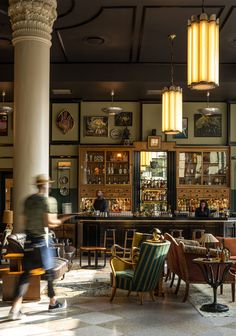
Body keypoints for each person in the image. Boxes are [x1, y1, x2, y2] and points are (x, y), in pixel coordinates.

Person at [8, 174, 72, 320]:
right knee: (50, 274)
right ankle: (53, 303)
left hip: (29, 242)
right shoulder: (48, 200)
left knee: (25, 275)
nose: (50, 186)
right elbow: (49, 223)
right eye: (49, 184)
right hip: (41, 243)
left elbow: (25, 222)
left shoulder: (28, 200)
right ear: (46, 185)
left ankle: (15, 309)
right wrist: (61, 221)